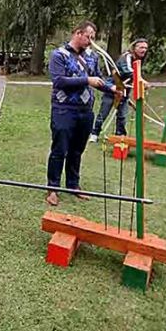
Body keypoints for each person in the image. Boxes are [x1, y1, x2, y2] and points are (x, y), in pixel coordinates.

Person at [45, 21, 111, 207]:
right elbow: (59, 81)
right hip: (63, 110)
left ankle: (73, 185)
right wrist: (86, 80)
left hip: (85, 111)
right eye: (89, 36)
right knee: (60, 149)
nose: (91, 41)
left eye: (93, 37)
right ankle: (53, 188)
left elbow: (99, 79)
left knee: (77, 150)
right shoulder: (59, 55)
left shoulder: (92, 56)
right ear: (77, 33)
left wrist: (114, 89)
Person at [90, 38, 149, 141]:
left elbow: (131, 78)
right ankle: (94, 134)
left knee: (122, 116)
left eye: (145, 48)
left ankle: (120, 136)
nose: (143, 50)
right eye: (141, 47)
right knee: (103, 114)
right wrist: (141, 80)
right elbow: (128, 71)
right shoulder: (127, 57)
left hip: (125, 91)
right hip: (112, 88)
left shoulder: (138, 60)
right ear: (134, 48)